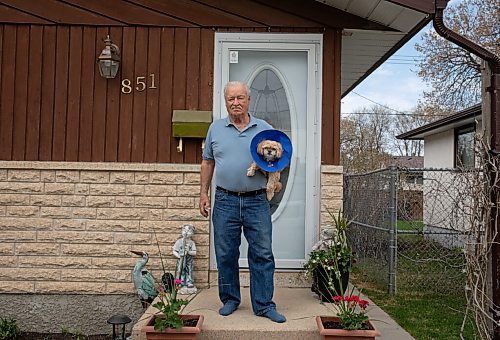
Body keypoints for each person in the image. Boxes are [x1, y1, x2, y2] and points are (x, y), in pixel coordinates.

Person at [199, 81, 286, 323]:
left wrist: (271, 171)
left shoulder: (264, 128)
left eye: (240, 98)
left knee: (262, 253)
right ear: (225, 101)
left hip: (256, 201)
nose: (235, 103)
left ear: (248, 100)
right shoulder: (215, 129)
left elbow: (279, 157)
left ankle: (264, 305)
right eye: (230, 99)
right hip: (225, 200)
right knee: (226, 253)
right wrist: (203, 193)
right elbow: (208, 163)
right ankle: (230, 299)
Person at [172, 224, 197, 294]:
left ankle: (189, 282)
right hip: (181, 259)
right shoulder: (179, 242)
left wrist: (189, 252)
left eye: (189, 231)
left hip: (189, 259)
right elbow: (174, 251)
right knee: (180, 270)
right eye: (184, 230)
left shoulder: (192, 243)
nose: (186, 232)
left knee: (189, 270)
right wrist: (179, 256)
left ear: (192, 233)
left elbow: (194, 252)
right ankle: (180, 282)